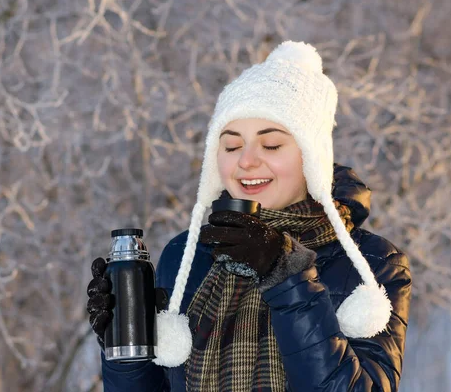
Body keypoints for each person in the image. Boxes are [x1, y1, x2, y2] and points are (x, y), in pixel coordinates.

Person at [87, 41, 412, 391]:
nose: (246, 161)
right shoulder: (186, 255)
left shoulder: (374, 263)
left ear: (311, 158)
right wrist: (124, 353)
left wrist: (286, 275)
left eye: (270, 145)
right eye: (230, 145)